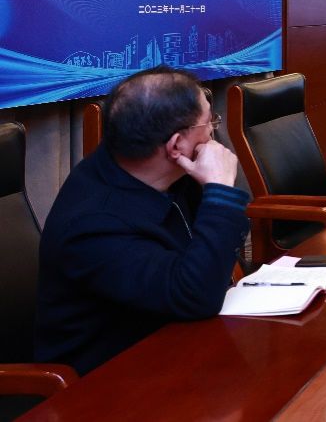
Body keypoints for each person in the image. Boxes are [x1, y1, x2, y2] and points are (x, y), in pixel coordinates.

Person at [35, 67, 248, 375]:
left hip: (174, 344)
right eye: (209, 123)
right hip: (107, 381)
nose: (213, 133)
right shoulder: (92, 226)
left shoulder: (156, 169)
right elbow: (195, 296)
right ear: (176, 145)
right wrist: (220, 191)